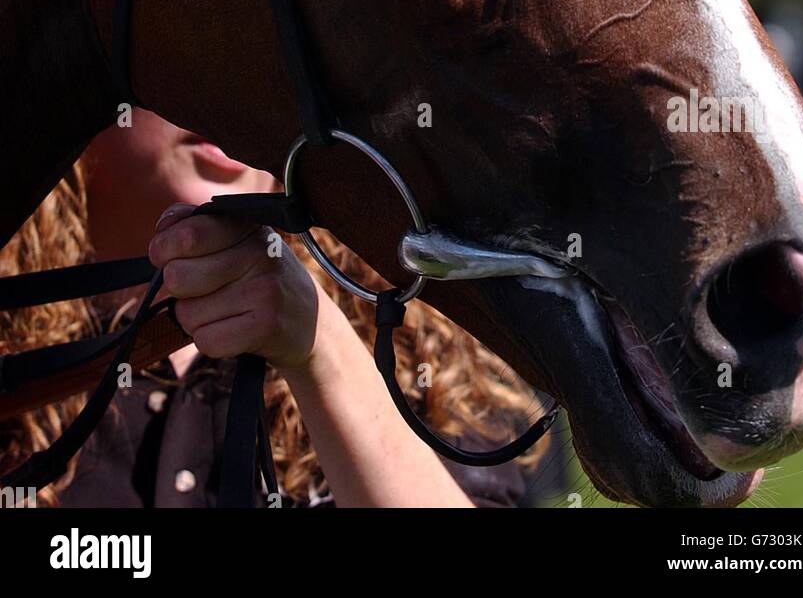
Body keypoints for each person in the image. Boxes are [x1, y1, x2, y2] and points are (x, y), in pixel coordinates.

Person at [1, 111, 547, 508]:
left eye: (253, 54)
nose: (215, 89)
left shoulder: (413, 345)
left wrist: (320, 349)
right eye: (178, 49)